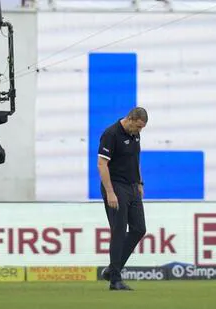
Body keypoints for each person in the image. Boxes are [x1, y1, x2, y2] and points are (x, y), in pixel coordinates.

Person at [97, 107, 148, 291]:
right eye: (139, 126)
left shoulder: (135, 135)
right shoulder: (111, 134)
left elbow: (136, 160)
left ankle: (112, 269)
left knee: (139, 229)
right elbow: (102, 164)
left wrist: (140, 183)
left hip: (133, 187)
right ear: (130, 119)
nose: (139, 131)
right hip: (116, 186)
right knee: (119, 230)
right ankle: (115, 280)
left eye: (142, 128)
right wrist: (110, 192)